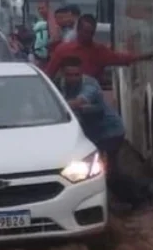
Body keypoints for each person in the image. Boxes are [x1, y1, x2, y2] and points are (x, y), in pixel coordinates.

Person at [59, 55, 147, 208]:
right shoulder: (61, 85)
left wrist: (58, 106)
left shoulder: (90, 84)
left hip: (110, 131)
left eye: (76, 75)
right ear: (62, 74)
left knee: (107, 171)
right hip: (93, 135)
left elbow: (79, 101)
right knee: (102, 171)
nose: (73, 78)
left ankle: (137, 197)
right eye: (69, 75)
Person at [43, 14, 153, 82]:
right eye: (86, 32)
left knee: (112, 116)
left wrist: (142, 57)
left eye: (91, 32)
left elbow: (120, 58)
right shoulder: (63, 50)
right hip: (67, 93)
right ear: (78, 30)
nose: (88, 35)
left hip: (91, 95)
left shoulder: (99, 51)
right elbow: (49, 73)